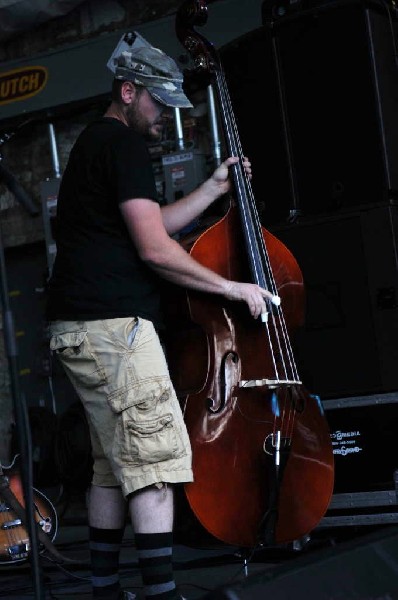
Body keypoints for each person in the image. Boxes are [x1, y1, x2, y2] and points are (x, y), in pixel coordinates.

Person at [45, 37, 274, 600]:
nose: (164, 115)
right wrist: (233, 287)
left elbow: (154, 223)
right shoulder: (120, 144)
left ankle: (105, 589)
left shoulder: (92, 146)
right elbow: (154, 249)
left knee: (109, 464)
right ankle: (162, 593)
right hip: (114, 329)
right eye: (157, 102)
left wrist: (213, 188)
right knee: (156, 461)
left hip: (79, 328)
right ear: (128, 92)